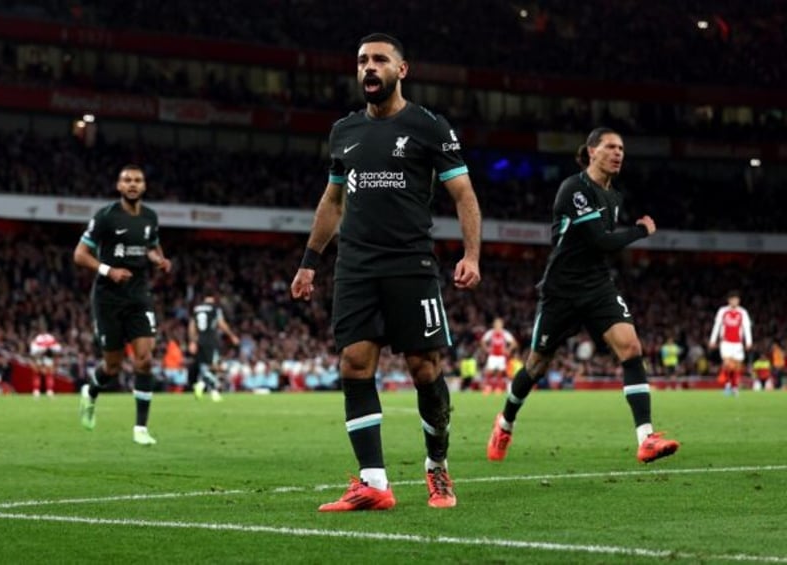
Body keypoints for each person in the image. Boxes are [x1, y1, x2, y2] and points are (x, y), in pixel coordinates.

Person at [290, 33, 482, 511]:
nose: (369, 68)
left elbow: (464, 195)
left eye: (379, 60)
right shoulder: (344, 132)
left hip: (410, 264)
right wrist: (309, 262)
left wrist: (471, 254)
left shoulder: (429, 127)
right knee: (354, 363)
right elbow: (333, 202)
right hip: (355, 266)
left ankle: (436, 467)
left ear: (402, 69)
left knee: (424, 369)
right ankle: (373, 483)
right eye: (361, 61)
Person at [486, 127, 679, 465]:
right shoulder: (574, 189)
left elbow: (603, 249)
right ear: (592, 152)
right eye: (610, 147)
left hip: (597, 285)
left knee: (631, 348)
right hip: (562, 290)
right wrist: (640, 231)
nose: (618, 153)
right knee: (536, 365)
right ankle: (504, 423)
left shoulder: (614, 197)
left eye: (621, 148)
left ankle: (646, 437)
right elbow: (600, 242)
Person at [73, 164, 172, 445]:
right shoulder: (105, 217)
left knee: (144, 360)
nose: (132, 184)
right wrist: (108, 270)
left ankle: (140, 428)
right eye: (127, 180)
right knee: (113, 366)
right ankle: (90, 392)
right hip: (108, 298)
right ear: (119, 186)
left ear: (144, 186)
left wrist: (158, 260)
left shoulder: (150, 217)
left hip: (139, 296)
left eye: (137, 180)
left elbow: (152, 246)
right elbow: (79, 254)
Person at [188, 293, 240, 401]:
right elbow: (221, 323)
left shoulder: (197, 309)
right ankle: (208, 388)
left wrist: (192, 341)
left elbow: (192, 325)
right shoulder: (215, 308)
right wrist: (232, 335)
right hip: (211, 339)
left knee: (205, 366)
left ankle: (204, 386)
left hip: (199, 340)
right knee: (213, 366)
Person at [708, 290, 752, 397]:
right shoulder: (722, 311)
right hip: (726, 342)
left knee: (736, 367)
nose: (734, 302)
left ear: (739, 301)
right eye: (732, 300)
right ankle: (727, 385)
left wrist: (749, 341)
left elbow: (746, 327)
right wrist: (713, 339)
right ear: (729, 301)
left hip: (738, 343)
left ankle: (735, 387)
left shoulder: (743, 312)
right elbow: (717, 325)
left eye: (736, 300)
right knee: (727, 364)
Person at [480, 317, 518, 394]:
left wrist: (508, 350)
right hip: (493, 355)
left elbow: (514, 343)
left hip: (501, 356)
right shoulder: (490, 333)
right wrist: (486, 349)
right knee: (489, 371)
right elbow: (482, 341)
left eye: (499, 324)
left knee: (500, 373)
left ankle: (498, 388)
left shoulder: (505, 333)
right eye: (496, 324)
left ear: (502, 325)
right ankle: (488, 388)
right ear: (494, 325)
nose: (498, 325)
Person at [29, 331, 61, 397]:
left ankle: (49, 390)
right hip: (39, 357)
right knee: (37, 374)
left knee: (48, 375)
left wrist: (49, 349)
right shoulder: (38, 338)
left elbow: (57, 348)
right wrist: (43, 349)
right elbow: (33, 349)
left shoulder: (49, 337)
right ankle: (36, 390)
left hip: (48, 357)